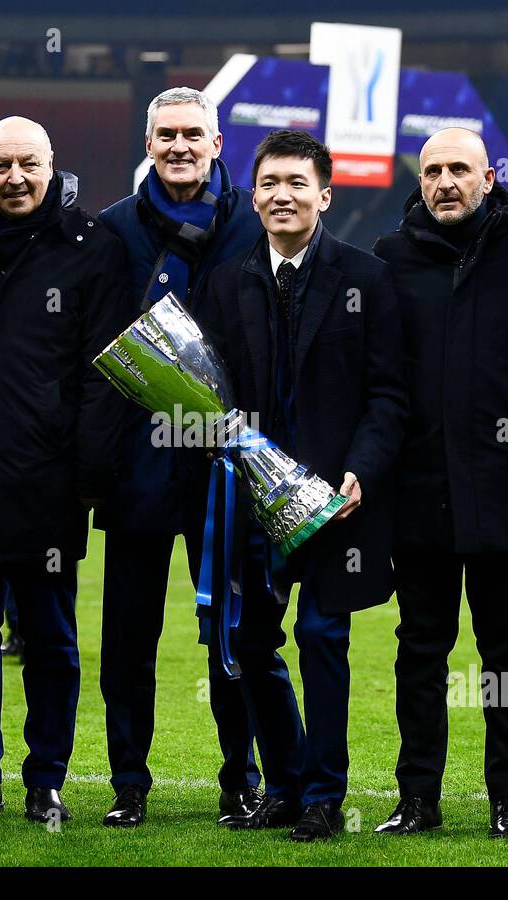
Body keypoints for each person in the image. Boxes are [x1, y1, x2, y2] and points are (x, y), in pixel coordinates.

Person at [197, 130, 407, 841]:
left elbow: (389, 394)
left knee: (322, 637)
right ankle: (283, 785)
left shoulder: (366, 278)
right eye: (268, 183)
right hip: (251, 500)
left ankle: (324, 794)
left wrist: (361, 471)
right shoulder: (226, 281)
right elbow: (205, 394)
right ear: (252, 197)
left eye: (296, 183)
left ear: (324, 195)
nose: (281, 195)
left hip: (332, 502)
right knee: (252, 644)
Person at [0, 116, 130, 824]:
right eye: (0, 165)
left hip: (45, 484)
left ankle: (46, 779)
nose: (15, 178)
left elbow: (105, 374)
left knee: (50, 644)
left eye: (28, 164)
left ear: (53, 165)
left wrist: (86, 477)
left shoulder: (91, 247)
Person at [373, 128, 508, 838]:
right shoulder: (389, 259)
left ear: (489, 176)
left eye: (459, 169)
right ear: (419, 183)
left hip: (504, 488)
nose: (445, 181)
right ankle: (418, 797)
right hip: (418, 490)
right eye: (432, 171)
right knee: (420, 647)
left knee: (507, 650)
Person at [95, 87, 265, 828]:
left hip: (223, 468)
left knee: (231, 629)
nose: (179, 146)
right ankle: (128, 783)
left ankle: (242, 779)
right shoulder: (110, 231)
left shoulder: (253, 228)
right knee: (127, 637)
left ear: (218, 143)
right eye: (166, 134)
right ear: (149, 141)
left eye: (193, 134)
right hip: (136, 465)